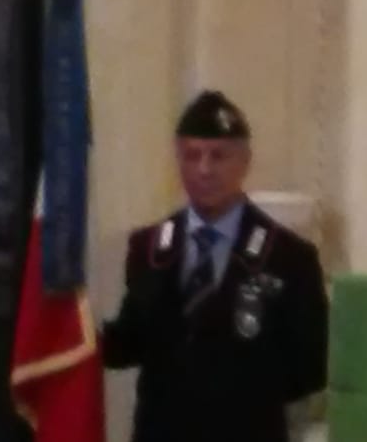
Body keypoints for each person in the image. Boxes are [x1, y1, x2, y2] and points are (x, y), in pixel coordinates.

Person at [100, 90, 329, 442]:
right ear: (178, 160)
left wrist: (242, 387)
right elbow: (130, 343)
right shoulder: (149, 247)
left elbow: (311, 368)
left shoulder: (288, 257)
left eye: (219, 156)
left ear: (245, 161)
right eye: (192, 156)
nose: (204, 170)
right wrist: (75, 335)